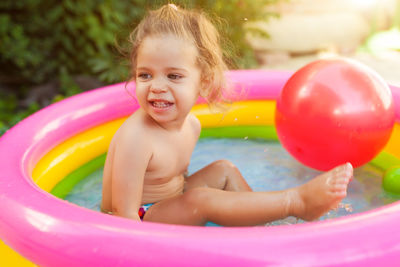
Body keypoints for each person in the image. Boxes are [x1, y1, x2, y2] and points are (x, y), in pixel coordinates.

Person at [101, 4, 353, 226]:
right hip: (138, 215)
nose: (156, 86)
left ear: (204, 82)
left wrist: (188, 203)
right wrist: (191, 206)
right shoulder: (137, 138)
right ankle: (295, 202)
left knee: (224, 169)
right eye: (145, 74)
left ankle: (261, 224)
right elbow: (122, 216)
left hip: (168, 203)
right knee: (202, 199)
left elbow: (176, 180)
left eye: (174, 76)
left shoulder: (191, 126)